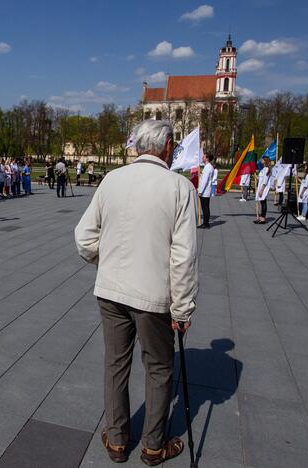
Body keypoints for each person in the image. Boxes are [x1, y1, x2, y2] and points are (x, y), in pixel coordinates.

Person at [74, 119, 194, 466]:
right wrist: (182, 309)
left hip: (111, 289)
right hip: (152, 295)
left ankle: (116, 440)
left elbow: (83, 237)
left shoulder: (112, 179)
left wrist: (105, 259)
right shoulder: (178, 187)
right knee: (158, 367)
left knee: (115, 364)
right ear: (168, 147)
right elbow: (183, 257)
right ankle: (153, 445)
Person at [254, 157, 273, 224]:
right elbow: (261, 178)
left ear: (265, 161)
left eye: (262, 159)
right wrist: (256, 176)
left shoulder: (268, 169)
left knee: (263, 202)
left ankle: (263, 219)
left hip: (264, 188)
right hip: (260, 187)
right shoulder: (264, 169)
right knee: (262, 202)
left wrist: (261, 190)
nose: (261, 160)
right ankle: (260, 217)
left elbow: (265, 181)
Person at [197, 153, 213, 229]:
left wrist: (200, 191)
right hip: (206, 190)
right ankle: (206, 223)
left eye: (203, 157)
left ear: (207, 158)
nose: (202, 158)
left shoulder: (207, 168)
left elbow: (205, 181)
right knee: (206, 207)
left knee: (205, 207)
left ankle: (206, 223)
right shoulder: (208, 167)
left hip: (204, 191)